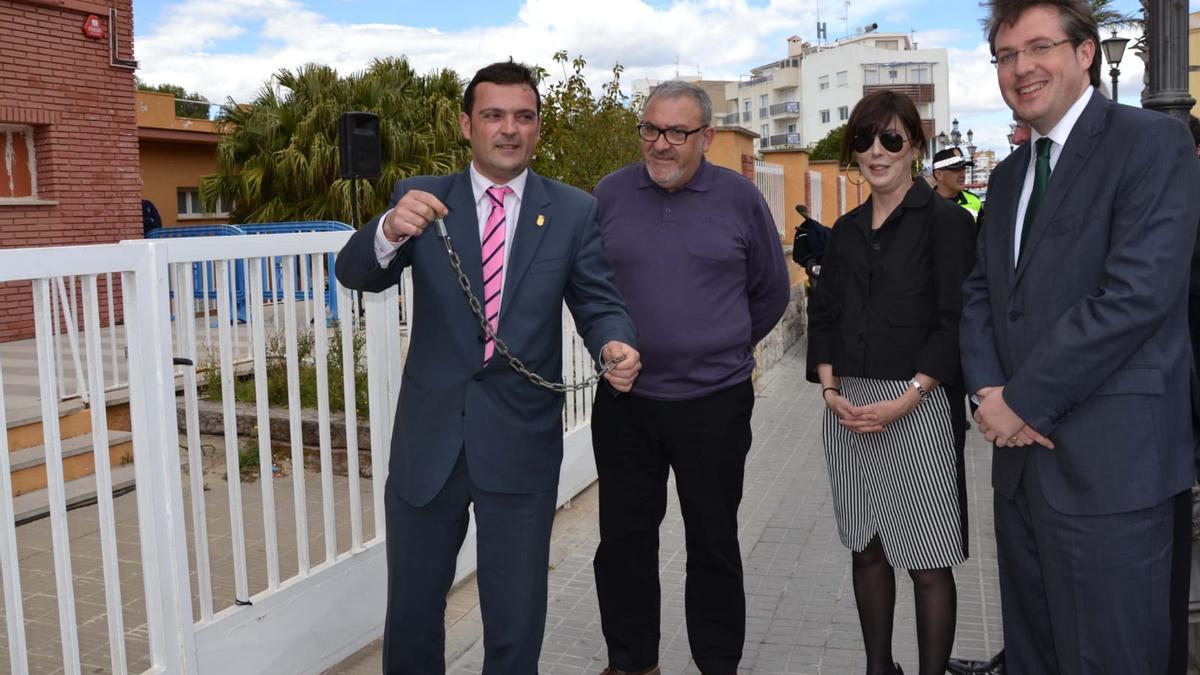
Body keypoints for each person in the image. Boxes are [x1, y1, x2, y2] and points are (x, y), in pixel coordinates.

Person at [334, 60, 641, 674]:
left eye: (523, 117)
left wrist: (615, 343)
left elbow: (598, 299)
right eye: (493, 115)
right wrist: (390, 230)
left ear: (537, 128)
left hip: (521, 443)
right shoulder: (423, 199)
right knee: (414, 613)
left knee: (515, 617)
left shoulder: (573, 210)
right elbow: (354, 273)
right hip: (431, 441)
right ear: (466, 126)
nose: (509, 129)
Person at [960, 2, 1199, 673]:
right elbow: (981, 293)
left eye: (1038, 47)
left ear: (1086, 52)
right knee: (1036, 656)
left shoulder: (1152, 143)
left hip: (1114, 476)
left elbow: (1135, 295)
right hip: (1022, 472)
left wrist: (1022, 401)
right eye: (1006, 55)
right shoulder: (1008, 177)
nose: (1021, 68)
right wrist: (986, 394)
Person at [589, 80, 789, 675]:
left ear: (705, 136)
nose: (661, 144)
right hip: (626, 402)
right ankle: (631, 663)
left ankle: (717, 664)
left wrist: (717, 345)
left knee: (713, 544)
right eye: (651, 129)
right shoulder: (610, 194)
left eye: (677, 132)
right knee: (624, 543)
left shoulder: (740, 198)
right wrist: (606, 345)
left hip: (714, 403)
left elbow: (771, 291)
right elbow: (589, 288)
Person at [806, 88, 976, 675]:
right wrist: (830, 391)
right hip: (847, 408)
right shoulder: (846, 228)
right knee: (868, 547)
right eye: (864, 140)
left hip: (919, 405)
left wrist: (908, 396)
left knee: (928, 558)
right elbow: (824, 314)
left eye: (891, 139)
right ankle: (880, 667)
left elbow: (954, 320)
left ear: (915, 147)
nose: (876, 152)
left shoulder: (948, 224)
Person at [930, 147, 982, 222]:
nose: (963, 174)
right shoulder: (925, 204)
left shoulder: (975, 201)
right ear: (939, 174)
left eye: (964, 168)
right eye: (956, 169)